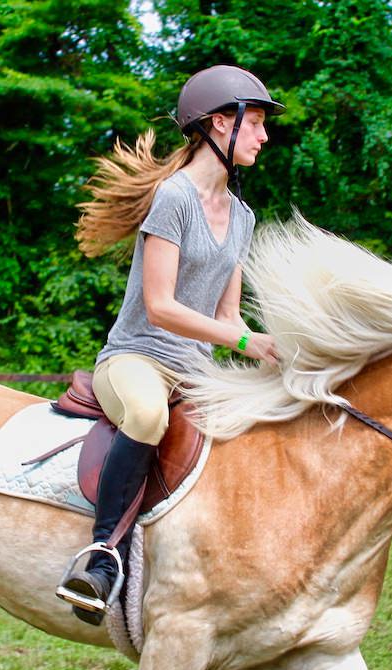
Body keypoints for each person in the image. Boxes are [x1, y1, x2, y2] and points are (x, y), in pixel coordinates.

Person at [56, 65, 284, 625]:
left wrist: (267, 345)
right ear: (215, 126)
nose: (263, 135)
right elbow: (160, 306)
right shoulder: (173, 198)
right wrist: (241, 339)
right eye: (253, 122)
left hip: (197, 369)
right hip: (136, 358)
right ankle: (101, 553)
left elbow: (228, 317)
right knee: (146, 413)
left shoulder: (244, 218)